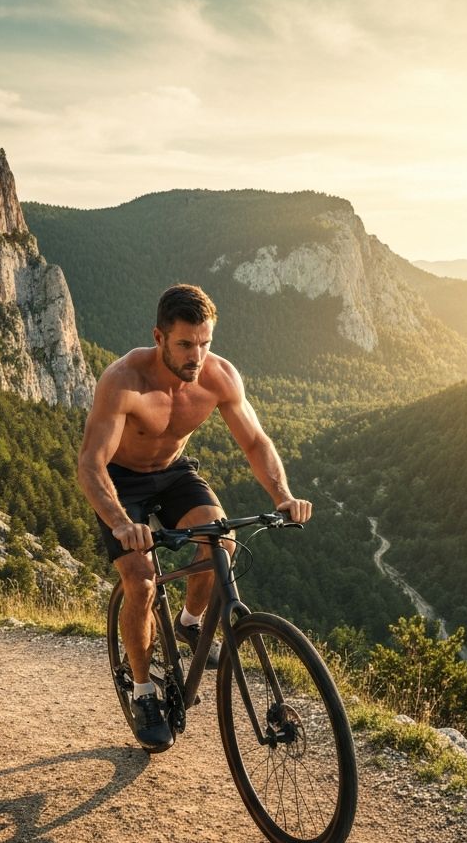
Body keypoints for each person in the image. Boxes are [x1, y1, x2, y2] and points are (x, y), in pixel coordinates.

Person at [77, 283, 312, 752]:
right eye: (185, 344)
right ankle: (144, 693)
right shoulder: (123, 380)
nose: (197, 355)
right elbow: (91, 463)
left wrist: (283, 494)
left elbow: (256, 442)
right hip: (122, 482)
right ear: (159, 336)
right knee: (141, 583)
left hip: (175, 473)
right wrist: (122, 522)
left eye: (205, 343)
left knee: (220, 543)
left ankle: (188, 620)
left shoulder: (219, 377)